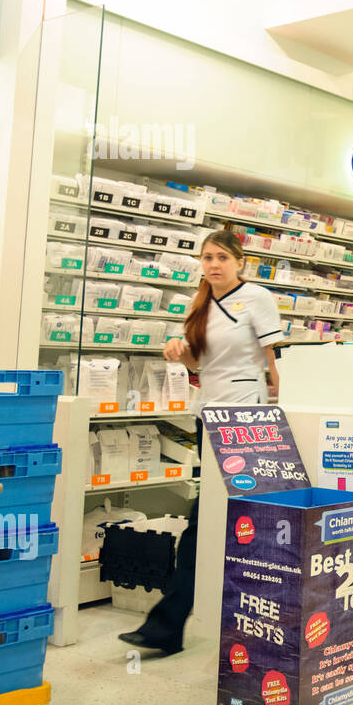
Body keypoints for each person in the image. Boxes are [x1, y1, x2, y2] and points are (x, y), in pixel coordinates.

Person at [119, 229, 284, 654]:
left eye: (222, 258)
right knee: (211, 518)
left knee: (217, 519)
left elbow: (275, 359)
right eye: (207, 257)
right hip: (209, 418)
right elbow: (200, 364)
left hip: (247, 420)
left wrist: (283, 407)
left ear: (240, 262)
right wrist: (179, 349)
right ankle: (177, 624)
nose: (213, 265)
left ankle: (173, 624)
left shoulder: (258, 299)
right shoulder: (202, 304)